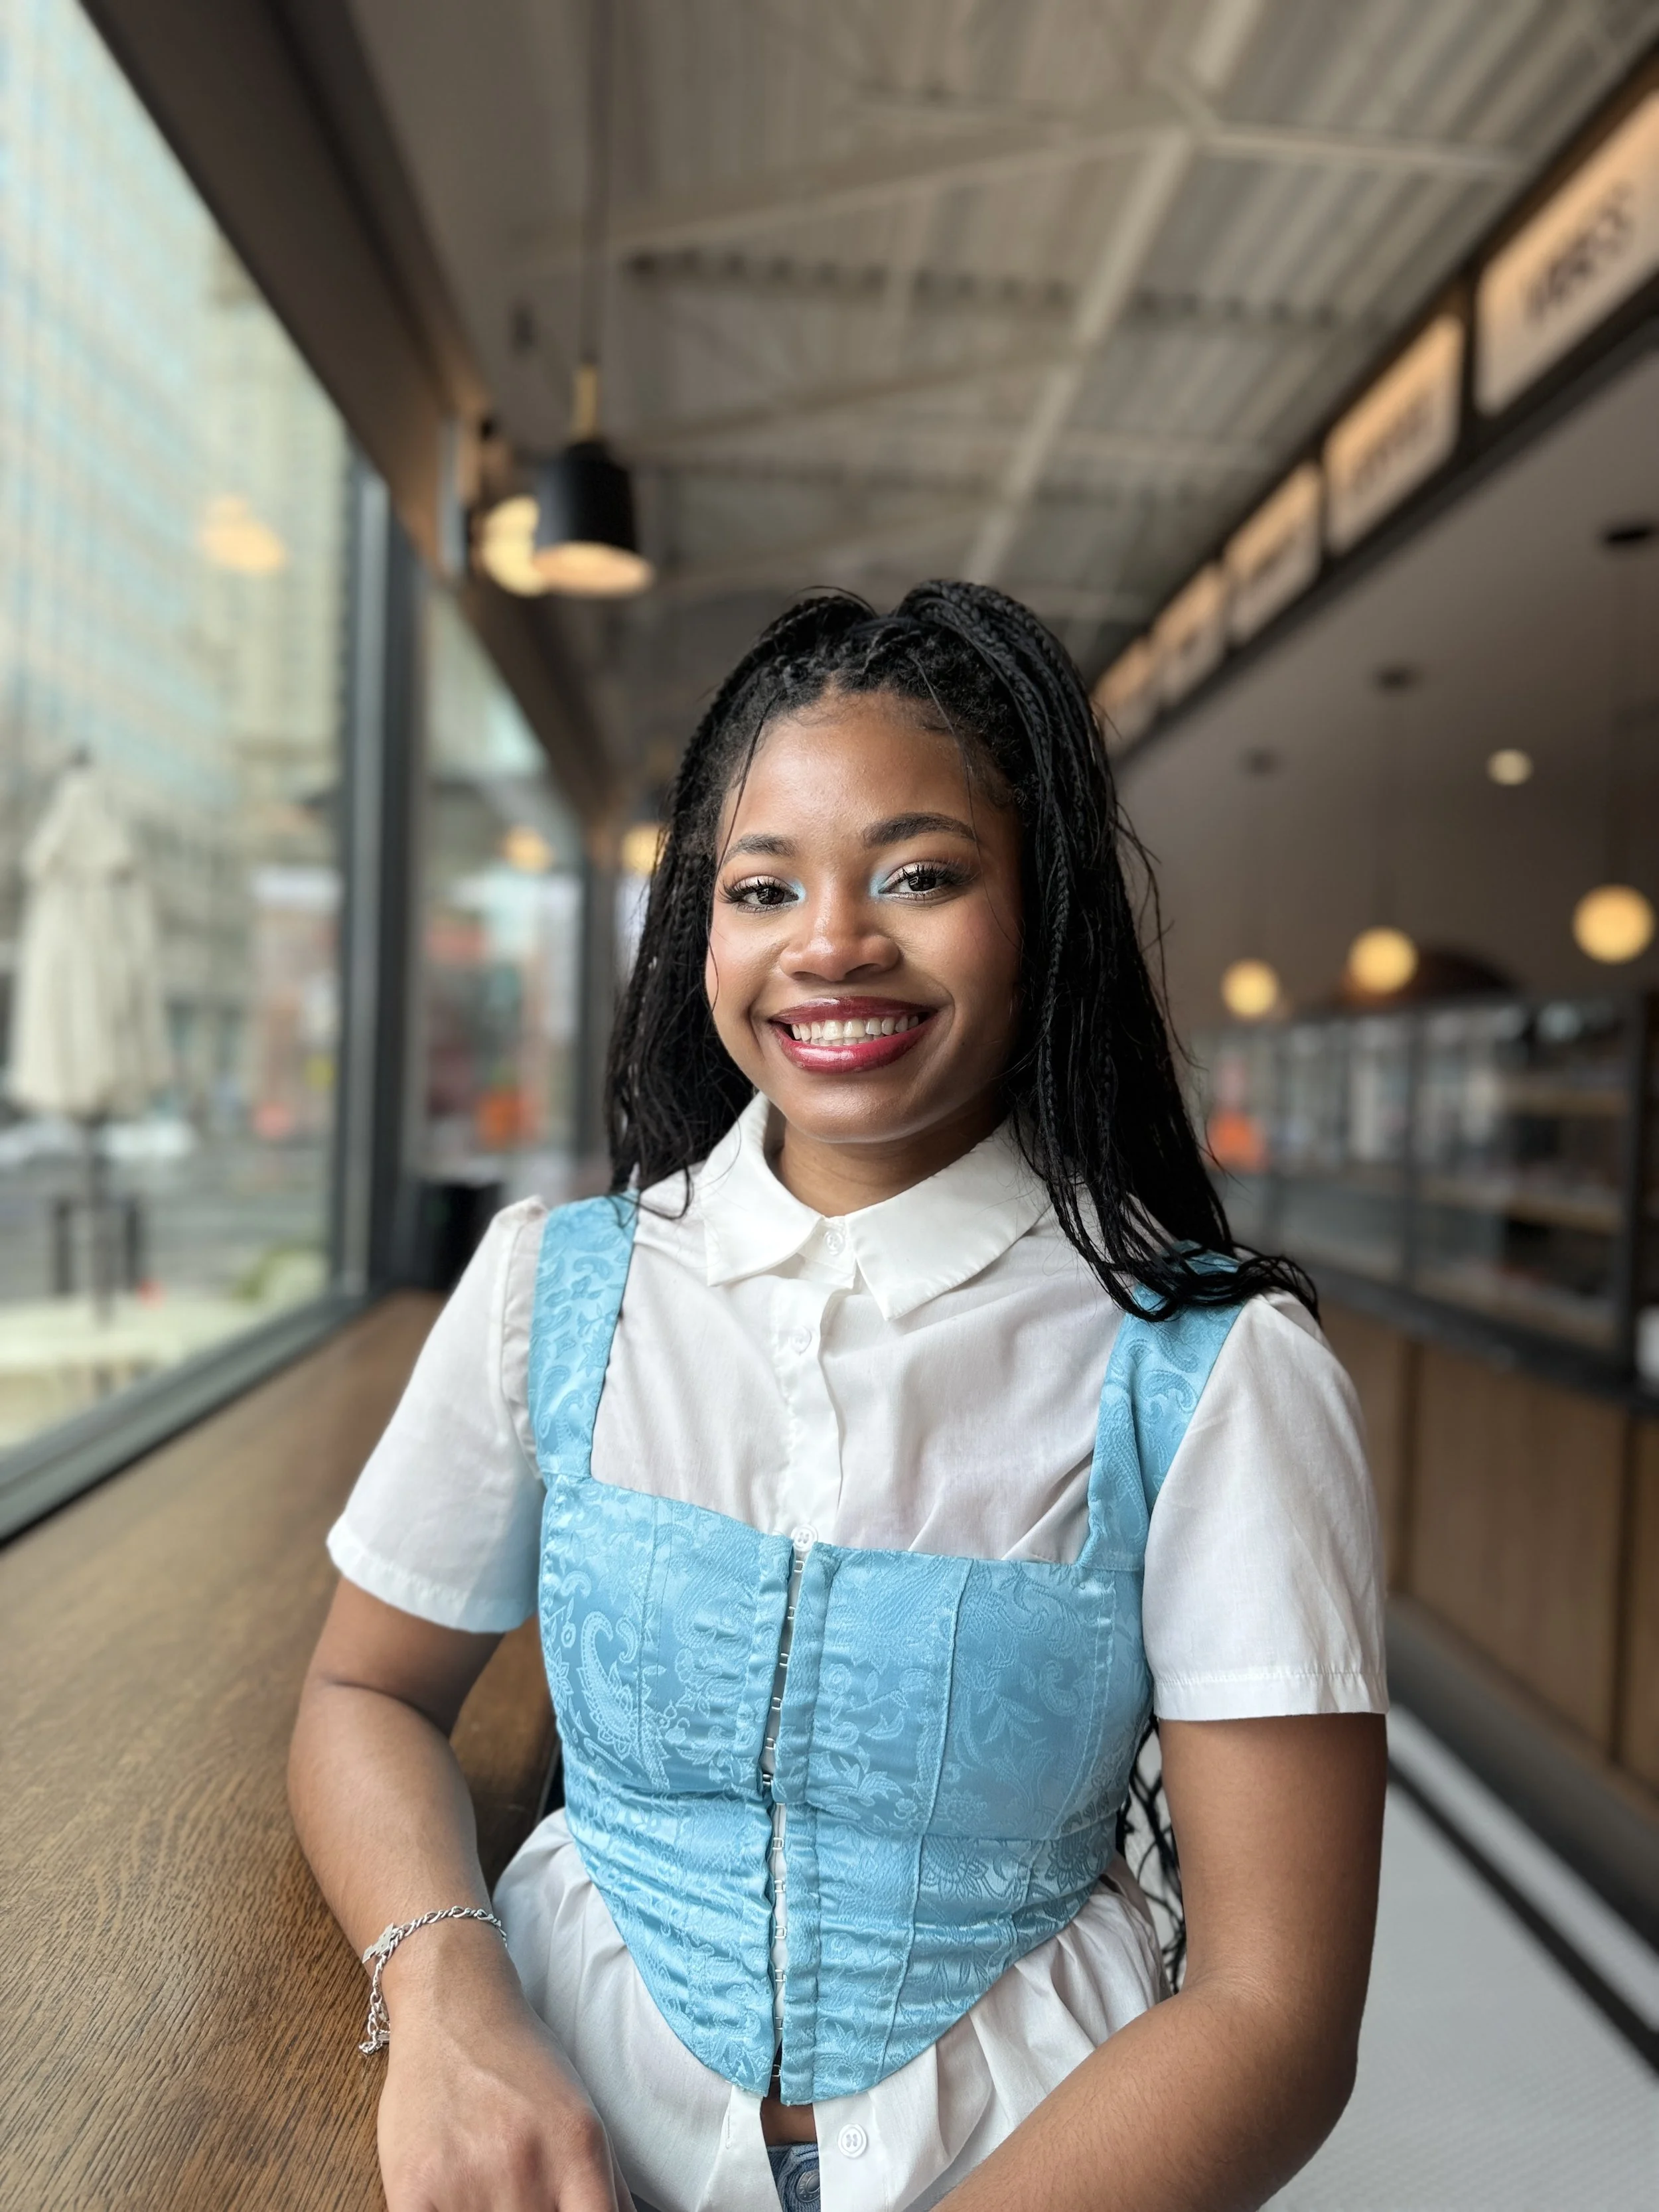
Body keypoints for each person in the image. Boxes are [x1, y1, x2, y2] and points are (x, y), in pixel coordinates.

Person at [289, 581, 1387, 2212]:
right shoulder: (553, 1283)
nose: (829, 943)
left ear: (1044, 913)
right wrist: (450, 1995)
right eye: (760, 886)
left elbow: (1274, 2009)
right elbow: (362, 1695)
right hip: (562, 2138)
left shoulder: (1213, 1365)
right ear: (703, 931)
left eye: (919, 874)